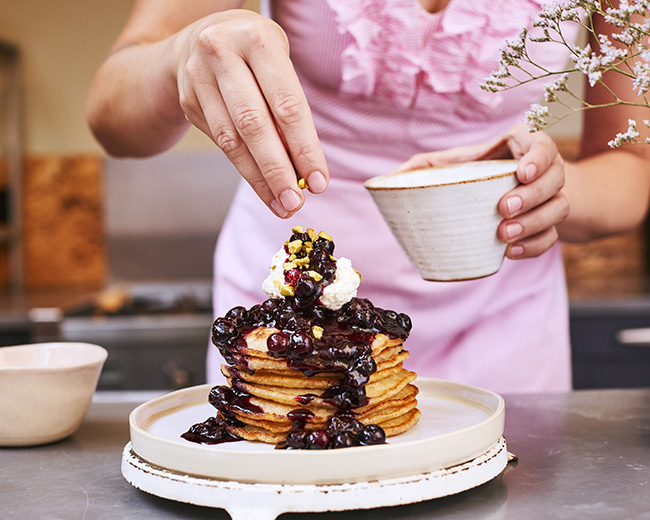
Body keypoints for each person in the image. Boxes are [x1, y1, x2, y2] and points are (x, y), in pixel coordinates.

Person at [86, 0, 650, 394]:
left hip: (500, 318)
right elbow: (112, 114)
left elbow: (633, 166)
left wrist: (553, 189)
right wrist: (181, 52)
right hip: (291, 316)